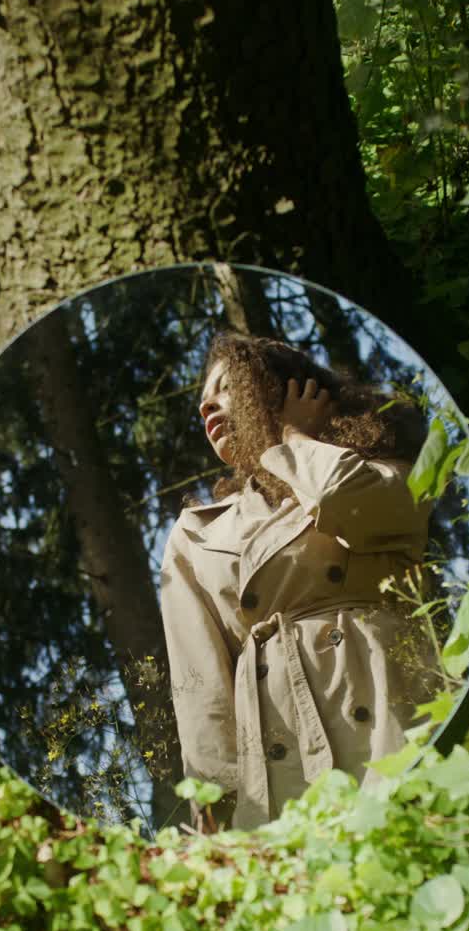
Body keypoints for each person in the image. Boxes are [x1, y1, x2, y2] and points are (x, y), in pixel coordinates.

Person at [159, 332, 438, 832]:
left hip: (386, 697)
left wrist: (295, 440)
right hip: (274, 743)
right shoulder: (197, 533)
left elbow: (346, 500)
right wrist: (213, 796)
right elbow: (198, 683)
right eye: (203, 399)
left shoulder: (379, 466)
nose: (206, 406)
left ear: (283, 391)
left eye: (227, 386)